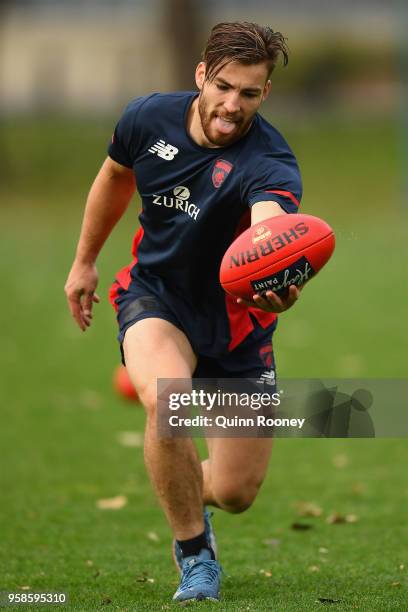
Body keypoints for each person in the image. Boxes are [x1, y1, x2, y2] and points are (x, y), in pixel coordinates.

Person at [65, 21, 302, 603]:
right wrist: (85, 262)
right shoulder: (147, 118)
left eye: (248, 93)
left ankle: (175, 473)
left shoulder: (270, 162)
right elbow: (115, 178)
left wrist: (279, 276)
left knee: (236, 490)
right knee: (166, 399)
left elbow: (271, 224)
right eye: (222, 86)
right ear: (201, 74)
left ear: (265, 93)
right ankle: (196, 556)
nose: (231, 105)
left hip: (237, 326)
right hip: (155, 296)